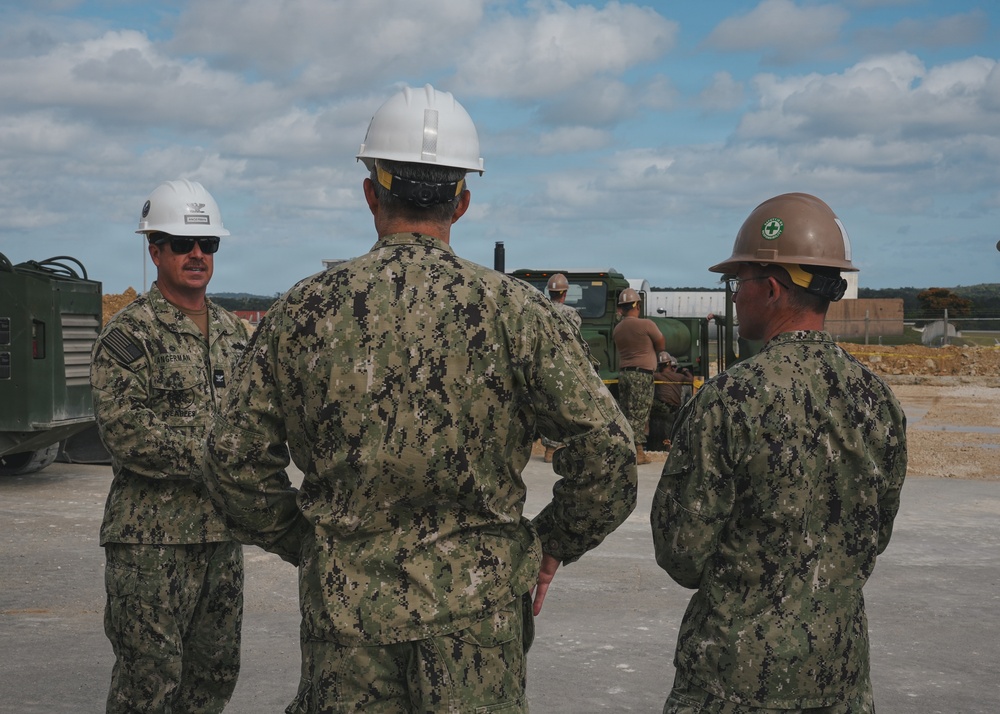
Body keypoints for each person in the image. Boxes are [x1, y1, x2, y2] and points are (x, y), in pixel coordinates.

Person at [203, 84, 637, 713]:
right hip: (480, 625)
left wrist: (309, 543)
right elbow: (609, 456)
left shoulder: (305, 309)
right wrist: (548, 544)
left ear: (370, 193)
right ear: (461, 203)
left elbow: (233, 459)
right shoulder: (518, 311)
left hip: (346, 626)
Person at [650, 192, 907, 713]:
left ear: (770, 288)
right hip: (839, 677)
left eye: (736, 282)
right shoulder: (878, 400)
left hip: (734, 682)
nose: (734, 295)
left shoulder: (729, 398)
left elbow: (682, 553)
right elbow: (872, 538)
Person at [91, 180, 251, 713]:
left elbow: (259, 423)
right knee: (148, 684)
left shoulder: (234, 334)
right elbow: (128, 434)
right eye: (182, 244)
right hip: (150, 545)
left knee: (213, 677)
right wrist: (220, 454)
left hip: (221, 539)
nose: (197, 255)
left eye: (208, 245)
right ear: (154, 249)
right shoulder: (129, 336)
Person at [612, 287, 665, 464]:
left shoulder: (617, 329)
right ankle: (639, 453)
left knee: (627, 411)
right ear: (636, 305)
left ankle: (627, 450)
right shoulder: (646, 324)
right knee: (639, 413)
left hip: (625, 373)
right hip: (641, 375)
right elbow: (661, 343)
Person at [539, 272, 582, 462]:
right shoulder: (571, 314)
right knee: (565, 406)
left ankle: (549, 448)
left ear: (549, 292)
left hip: (543, 363)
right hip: (564, 366)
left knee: (547, 405)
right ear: (565, 293)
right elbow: (576, 341)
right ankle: (560, 447)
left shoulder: (540, 309)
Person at [649, 351, 693, 448]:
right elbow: (692, 380)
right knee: (668, 437)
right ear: (670, 365)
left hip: (658, 409)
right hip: (670, 411)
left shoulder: (656, 376)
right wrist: (685, 370)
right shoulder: (679, 377)